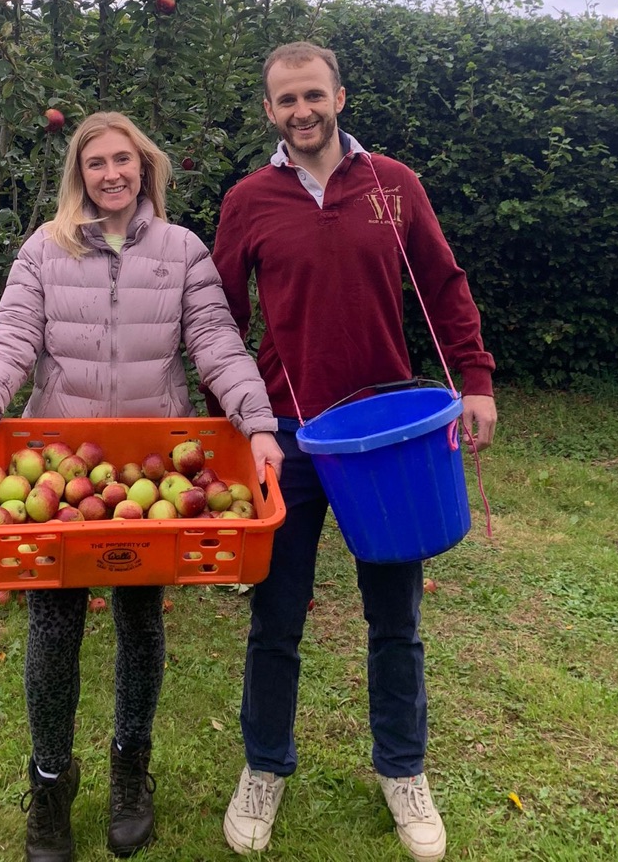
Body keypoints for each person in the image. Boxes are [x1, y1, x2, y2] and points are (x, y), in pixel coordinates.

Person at [0, 111, 283, 862]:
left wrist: (257, 424)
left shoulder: (182, 250)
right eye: (95, 163)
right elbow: (10, 336)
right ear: (79, 174)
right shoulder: (44, 249)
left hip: (154, 469)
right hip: (62, 471)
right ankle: (51, 779)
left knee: (139, 619)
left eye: (122, 160)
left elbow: (217, 342)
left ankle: (132, 765)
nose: (111, 174)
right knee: (55, 626)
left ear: (144, 167)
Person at [212, 43, 497, 861]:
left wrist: (473, 379)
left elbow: (443, 285)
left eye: (313, 95)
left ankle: (402, 770)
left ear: (339, 95)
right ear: (268, 112)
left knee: (395, 620)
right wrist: (227, 420)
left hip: (385, 438)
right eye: (284, 101)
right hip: (288, 439)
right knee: (275, 617)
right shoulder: (248, 201)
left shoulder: (393, 185)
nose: (301, 111)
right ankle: (265, 767)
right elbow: (220, 319)